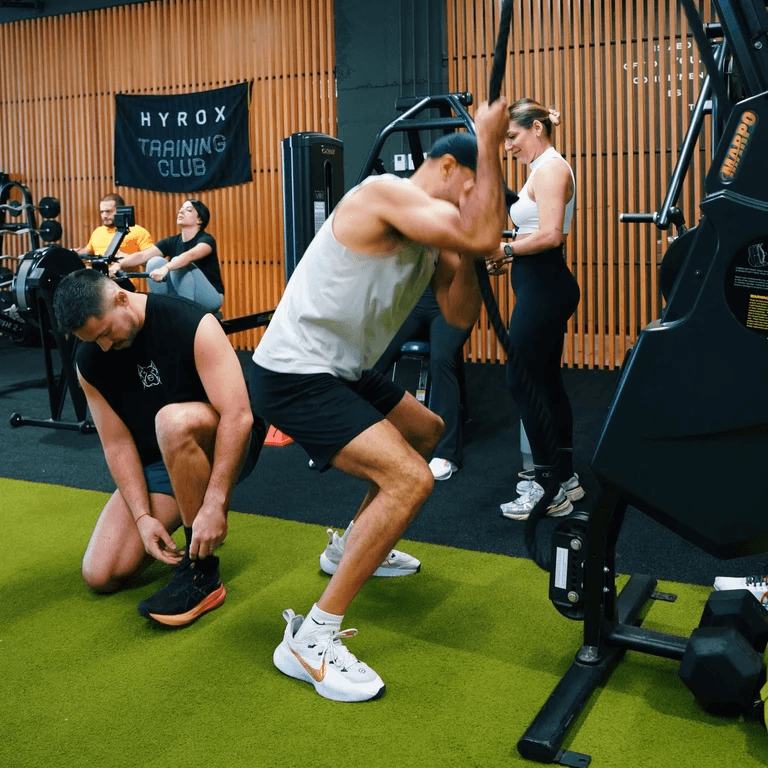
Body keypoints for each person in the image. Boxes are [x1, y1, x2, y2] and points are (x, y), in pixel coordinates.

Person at [250, 99, 510, 702]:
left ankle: (350, 544)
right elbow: (481, 229)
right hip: (293, 372)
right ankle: (311, 639)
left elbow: (458, 318)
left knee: (426, 431)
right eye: (474, 190)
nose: (478, 205)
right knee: (411, 480)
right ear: (448, 168)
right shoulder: (383, 194)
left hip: (342, 370)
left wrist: (473, 256)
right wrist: (490, 144)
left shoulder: (436, 236)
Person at [52, 268, 266, 627]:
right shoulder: (89, 361)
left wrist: (215, 504)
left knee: (171, 421)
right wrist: (142, 517)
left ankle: (202, 573)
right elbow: (118, 444)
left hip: (222, 442)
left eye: (105, 333)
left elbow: (239, 416)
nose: (103, 346)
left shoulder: (191, 323)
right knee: (101, 573)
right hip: (161, 459)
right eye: (93, 340)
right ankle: (192, 521)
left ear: (122, 298)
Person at [486, 98, 584, 521]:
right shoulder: (540, 169)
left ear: (537, 129)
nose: (508, 146)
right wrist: (507, 252)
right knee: (545, 382)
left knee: (522, 382)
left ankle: (547, 490)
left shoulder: (551, 170)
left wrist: (507, 250)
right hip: (540, 286)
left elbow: (550, 235)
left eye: (512, 136)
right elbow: (533, 231)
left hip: (545, 288)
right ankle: (564, 477)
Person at [373, 285, 470, 481]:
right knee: (372, 356)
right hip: (414, 301)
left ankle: (446, 454)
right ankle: (345, 434)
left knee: (441, 360)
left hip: (453, 303)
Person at [110, 199, 225, 313]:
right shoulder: (172, 241)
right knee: (154, 262)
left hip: (211, 298)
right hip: (182, 294)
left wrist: (166, 268)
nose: (181, 211)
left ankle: (185, 315)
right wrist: (119, 264)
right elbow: (143, 255)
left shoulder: (207, 240)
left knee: (178, 262)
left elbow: (190, 255)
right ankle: (164, 310)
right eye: (181, 208)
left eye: (188, 210)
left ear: (199, 220)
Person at [75, 192, 153, 290]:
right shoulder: (98, 232)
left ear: (120, 211)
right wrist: (73, 253)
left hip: (123, 284)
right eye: (102, 212)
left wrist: (127, 258)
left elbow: (151, 262)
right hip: (98, 283)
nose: (104, 216)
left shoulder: (138, 231)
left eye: (108, 211)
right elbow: (86, 252)